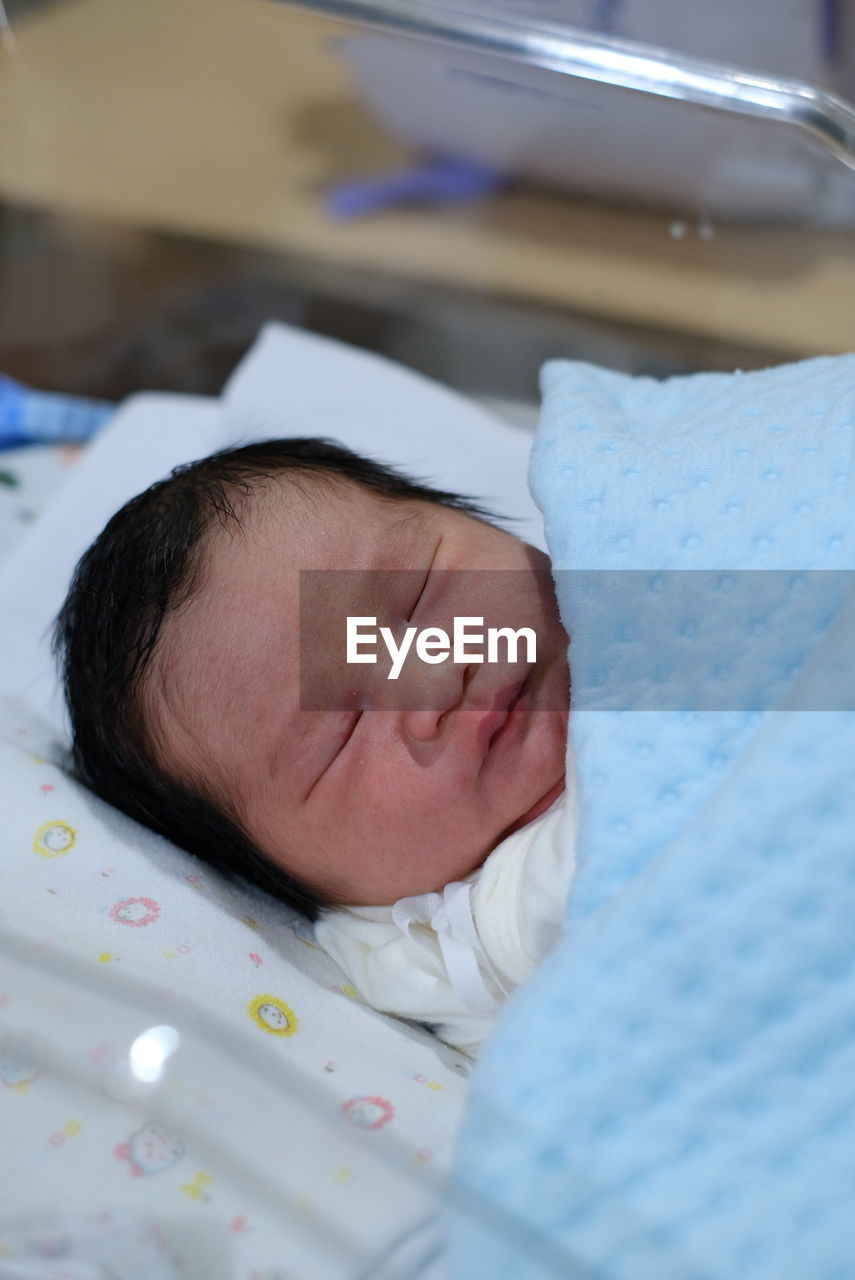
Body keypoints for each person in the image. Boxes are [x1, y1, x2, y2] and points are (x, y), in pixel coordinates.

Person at [54, 437, 574, 1051]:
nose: (437, 678)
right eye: (344, 734)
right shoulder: (448, 951)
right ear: (313, 886)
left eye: (419, 596)